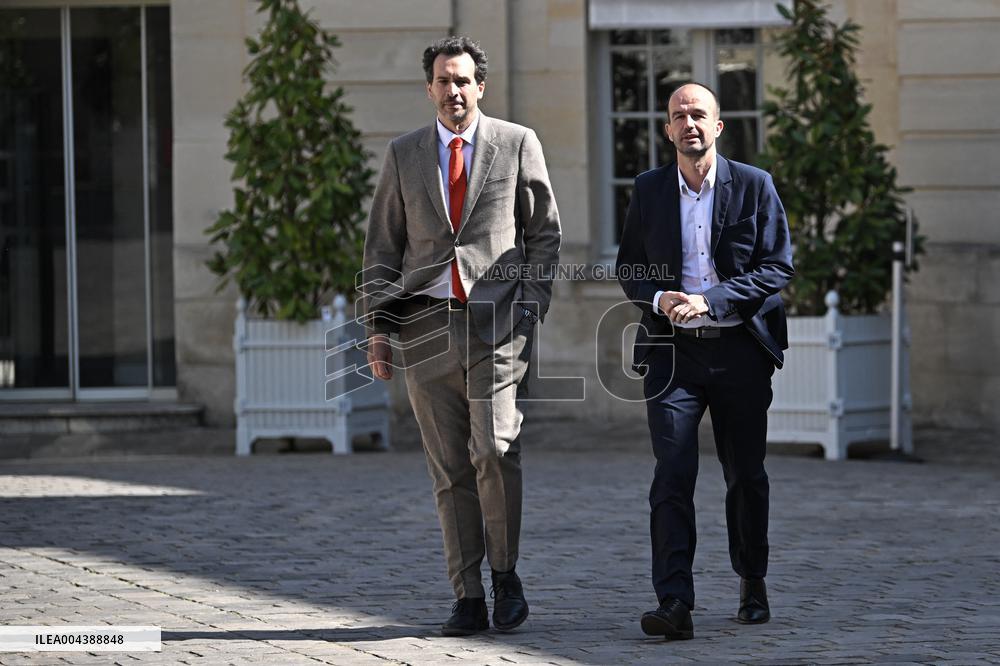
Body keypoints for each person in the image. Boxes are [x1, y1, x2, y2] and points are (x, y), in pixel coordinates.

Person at [361, 36, 561, 637]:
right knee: (449, 467)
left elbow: (544, 233)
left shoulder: (516, 142)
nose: (454, 91)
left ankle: (506, 575)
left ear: (481, 86)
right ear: (429, 89)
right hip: (424, 328)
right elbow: (382, 247)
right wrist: (377, 329)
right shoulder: (404, 153)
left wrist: (531, 305)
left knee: (495, 449)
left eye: (464, 80)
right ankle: (467, 595)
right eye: (444, 81)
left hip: (498, 326)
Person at [615, 82, 794, 640]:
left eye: (698, 114)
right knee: (672, 473)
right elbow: (630, 269)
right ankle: (674, 601)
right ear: (666, 128)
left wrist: (711, 300)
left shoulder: (755, 185)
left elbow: (776, 267)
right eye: (678, 115)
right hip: (672, 354)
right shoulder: (648, 189)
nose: (688, 123)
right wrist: (660, 299)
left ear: (717, 126)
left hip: (740, 350)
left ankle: (752, 580)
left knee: (745, 474)